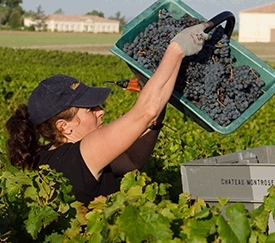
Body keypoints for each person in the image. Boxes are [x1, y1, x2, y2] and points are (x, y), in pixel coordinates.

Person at [5, 21, 211, 206]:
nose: (101, 112)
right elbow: (144, 113)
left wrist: (157, 113)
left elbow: (132, 161)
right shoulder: (80, 156)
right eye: (90, 110)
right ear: (63, 126)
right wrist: (176, 50)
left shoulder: (52, 157)